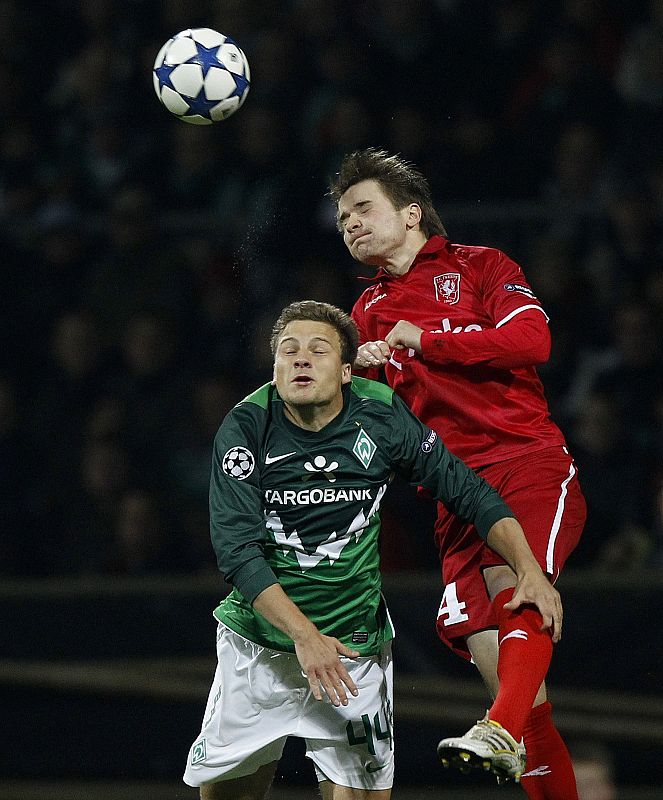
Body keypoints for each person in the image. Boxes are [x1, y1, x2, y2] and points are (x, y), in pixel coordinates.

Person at [183, 300, 563, 799]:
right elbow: (237, 552)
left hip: (354, 648)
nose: (300, 359)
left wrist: (528, 567)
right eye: (288, 351)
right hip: (261, 648)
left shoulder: (380, 413)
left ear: (347, 371)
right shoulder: (245, 427)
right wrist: (304, 636)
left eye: (318, 350)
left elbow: (469, 492)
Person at [329, 149, 587, 797]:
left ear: (410, 213)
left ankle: (495, 729)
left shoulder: (481, 266)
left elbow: (532, 342)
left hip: (524, 461)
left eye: (362, 208)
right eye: (341, 218)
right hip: (453, 497)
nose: (349, 223)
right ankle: (505, 727)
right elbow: (373, 434)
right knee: (523, 700)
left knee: (514, 588)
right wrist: (356, 382)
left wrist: (427, 340)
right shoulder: (365, 314)